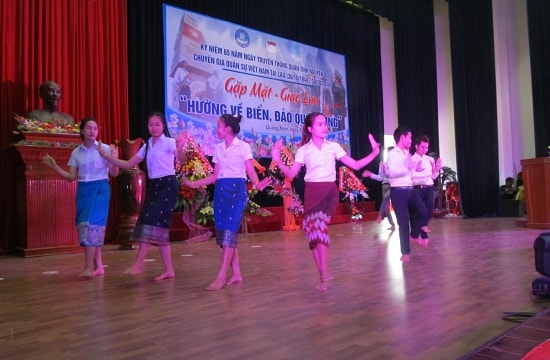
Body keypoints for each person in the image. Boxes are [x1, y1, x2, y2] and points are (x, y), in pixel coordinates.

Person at [271, 112, 379, 291]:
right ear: (310, 129)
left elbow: (357, 165)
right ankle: (322, 272)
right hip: (312, 192)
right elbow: (291, 174)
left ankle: (323, 274)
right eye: (320, 124)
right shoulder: (303, 150)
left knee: (320, 229)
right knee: (312, 233)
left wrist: (375, 152)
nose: (324, 126)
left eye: (325, 123)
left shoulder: (334, 147)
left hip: (329, 192)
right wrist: (276, 158)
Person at [181, 114, 271, 291]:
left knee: (230, 233)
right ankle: (236, 274)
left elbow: (250, 170)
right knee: (225, 237)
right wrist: (192, 183)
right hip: (221, 192)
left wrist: (257, 184)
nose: (217, 129)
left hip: (237, 192)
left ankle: (221, 276)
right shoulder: (218, 148)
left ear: (228, 128)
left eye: (219, 126)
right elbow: (214, 176)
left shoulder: (243, 146)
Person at [98, 112, 186, 281]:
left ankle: (138, 265)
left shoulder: (169, 142)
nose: (153, 127)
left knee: (151, 221)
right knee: (154, 225)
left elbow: (181, 160)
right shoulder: (146, 146)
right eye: (150, 124)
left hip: (168, 186)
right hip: (154, 187)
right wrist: (106, 156)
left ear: (164, 126)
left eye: (157, 124)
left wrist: (181, 146)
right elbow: (128, 164)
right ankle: (169, 270)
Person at [42, 117, 119, 278]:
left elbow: (114, 173)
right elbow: (71, 177)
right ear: (82, 131)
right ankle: (99, 267)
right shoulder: (76, 153)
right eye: (89, 128)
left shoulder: (104, 148)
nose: (92, 131)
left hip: (100, 189)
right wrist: (54, 165)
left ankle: (89, 267)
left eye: (95, 128)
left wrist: (112, 157)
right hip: (84, 190)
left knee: (93, 225)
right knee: (85, 226)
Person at [386, 126, 429, 263]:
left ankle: (414, 234)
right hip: (398, 191)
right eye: (409, 137)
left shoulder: (406, 153)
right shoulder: (393, 154)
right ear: (402, 137)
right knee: (403, 222)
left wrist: (415, 169)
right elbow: (392, 173)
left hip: (410, 189)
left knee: (423, 211)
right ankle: (405, 252)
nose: (411, 140)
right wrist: (408, 168)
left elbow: (408, 172)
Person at [411, 135, 442, 245]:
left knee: (429, 208)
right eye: (423, 147)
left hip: (429, 187)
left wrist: (437, 170)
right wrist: (426, 173)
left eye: (426, 147)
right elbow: (411, 176)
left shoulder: (429, 159)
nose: (425, 149)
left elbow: (433, 177)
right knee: (420, 211)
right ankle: (421, 234)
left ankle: (420, 230)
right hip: (417, 188)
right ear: (416, 146)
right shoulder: (411, 159)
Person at [363, 157, 396, 231]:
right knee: (386, 208)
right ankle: (392, 225)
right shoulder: (383, 164)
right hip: (384, 185)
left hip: (393, 185)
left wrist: (385, 170)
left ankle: (380, 215)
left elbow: (394, 175)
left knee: (385, 199)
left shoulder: (397, 164)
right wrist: (370, 174)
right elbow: (380, 178)